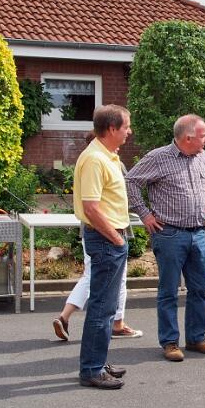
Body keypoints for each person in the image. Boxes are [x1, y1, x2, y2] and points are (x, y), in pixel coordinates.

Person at [125, 114, 205, 362]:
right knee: (169, 291)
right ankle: (170, 342)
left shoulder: (203, 157)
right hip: (169, 234)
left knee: (199, 290)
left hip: (198, 233)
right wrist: (145, 215)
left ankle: (197, 338)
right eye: (203, 135)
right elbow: (130, 182)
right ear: (188, 138)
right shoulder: (158, 157)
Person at [73, 104, 133, 390]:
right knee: (102, 308)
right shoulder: (95, 159)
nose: (129, 131)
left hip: (110, 239)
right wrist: (117, 239)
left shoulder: (105, 155)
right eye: (126, 126)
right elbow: (91, 208)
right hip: (106, 239)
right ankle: (92, 369)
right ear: (112, 129)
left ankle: (97, 362)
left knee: (107, 307)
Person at [51, 251, 142, 342]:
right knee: (119, 276)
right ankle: (117, 325)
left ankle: (64, 317)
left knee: (89, 276)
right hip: (110, 244)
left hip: (90, 242)